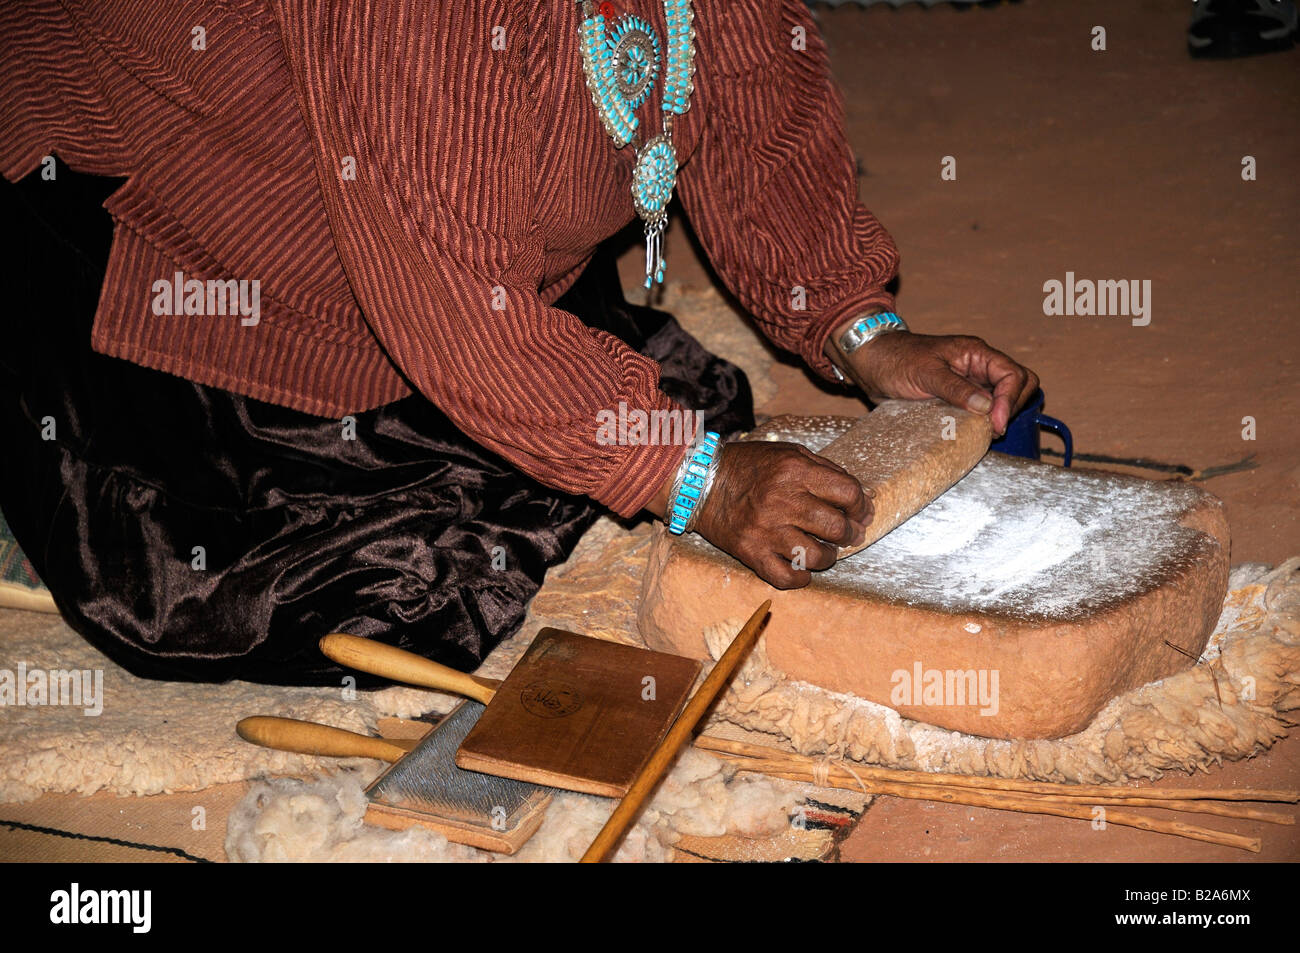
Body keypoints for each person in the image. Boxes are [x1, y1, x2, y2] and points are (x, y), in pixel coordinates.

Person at [0, 0, 1036, 685]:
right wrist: (692, 475)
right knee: (394, 563)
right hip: (206, 248)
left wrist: (856, 323)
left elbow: (748, 73)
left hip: (433, 195)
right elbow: (446, 298)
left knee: (590, 422)